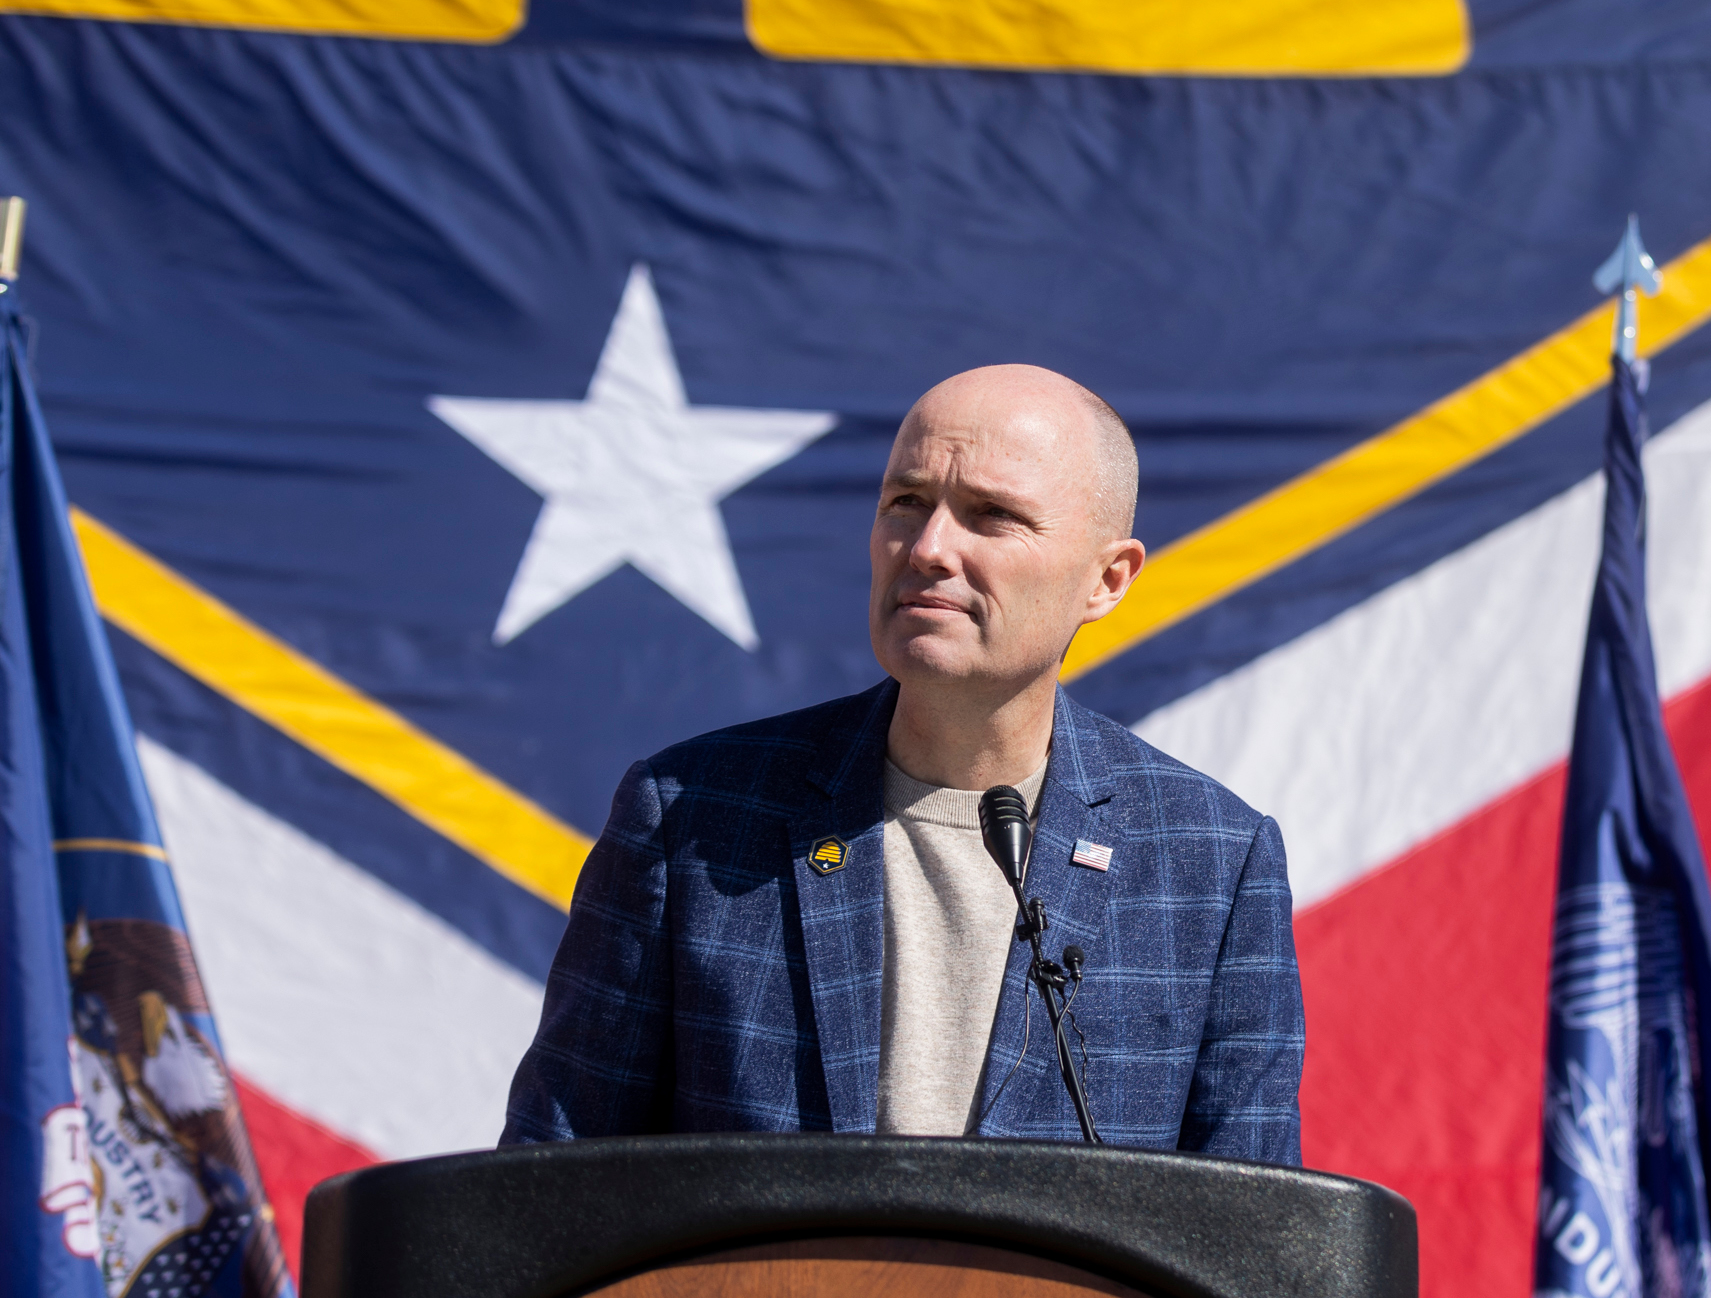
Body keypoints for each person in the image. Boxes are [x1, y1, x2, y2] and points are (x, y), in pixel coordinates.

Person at [502, 365, 1301, 1158]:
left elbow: (1254, 1241)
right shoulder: (691, 815)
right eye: (906, 502)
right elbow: (549, 1184)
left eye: (992, 516)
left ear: (1108, 578)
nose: (928, 548)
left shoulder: (1213, 861)